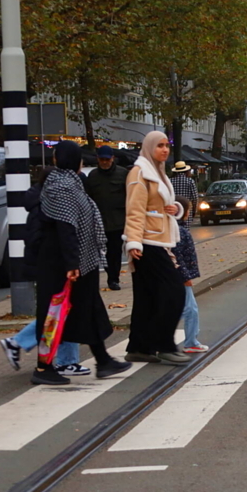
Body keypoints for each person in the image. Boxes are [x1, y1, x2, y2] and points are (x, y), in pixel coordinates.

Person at [33, 141, 131, 385]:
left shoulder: (73, 183)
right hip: (62, 265)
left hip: (80, 261)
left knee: (89, 309)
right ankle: (43, 368)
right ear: (75, 161)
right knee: (53, 314)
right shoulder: (61, 186)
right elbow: (65, 227)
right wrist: (71, 264)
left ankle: (103, 360)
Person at [0, 169, 84, 375]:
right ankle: (61, 359)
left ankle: (63, 358)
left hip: (51, 265)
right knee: (60, 310)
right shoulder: (46, 207)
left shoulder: (41, 203)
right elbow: (42, 239)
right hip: (53, 266)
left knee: (60, 310)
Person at [124, 132, 191, 366]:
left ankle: (139, 347)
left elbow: (160, 206)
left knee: (147, 298)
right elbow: (134, 210)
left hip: (159, 239)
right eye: (160, 146)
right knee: (174, 292)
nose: (164, 150)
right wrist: (133, 242)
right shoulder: (140, 173)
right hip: (148, 243)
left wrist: (175, 210)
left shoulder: (159, 172)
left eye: (167, 145)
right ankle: (164, 345)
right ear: (149, 147)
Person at [84, 145, 129, 290]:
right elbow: (88, 197)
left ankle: (113, 279)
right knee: (97, 251)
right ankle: (99, 277)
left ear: (112, 159)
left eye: (107, 159)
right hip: (98, 221)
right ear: (97, 159)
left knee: (114, 252)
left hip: (117, 221)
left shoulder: (123, 174)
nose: (104, 162)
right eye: (101, 159)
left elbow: (130, 196)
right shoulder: (93, 176)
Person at [174, 198, 208, 353]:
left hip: (177, 276)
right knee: (190, 309)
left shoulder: (178, 230)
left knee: (184, 308)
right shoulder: (179, 232)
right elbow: (178, 257)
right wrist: (186, 277)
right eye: (188, 210)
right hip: (180, 277)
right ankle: (191, 342)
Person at [171, 161, 199, 229]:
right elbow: (195, 198)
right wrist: (194, 210)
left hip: (174, 208)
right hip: (186, 208)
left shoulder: (170, 181)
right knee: (186, 228)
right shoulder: (190, 181)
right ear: (186, 171)